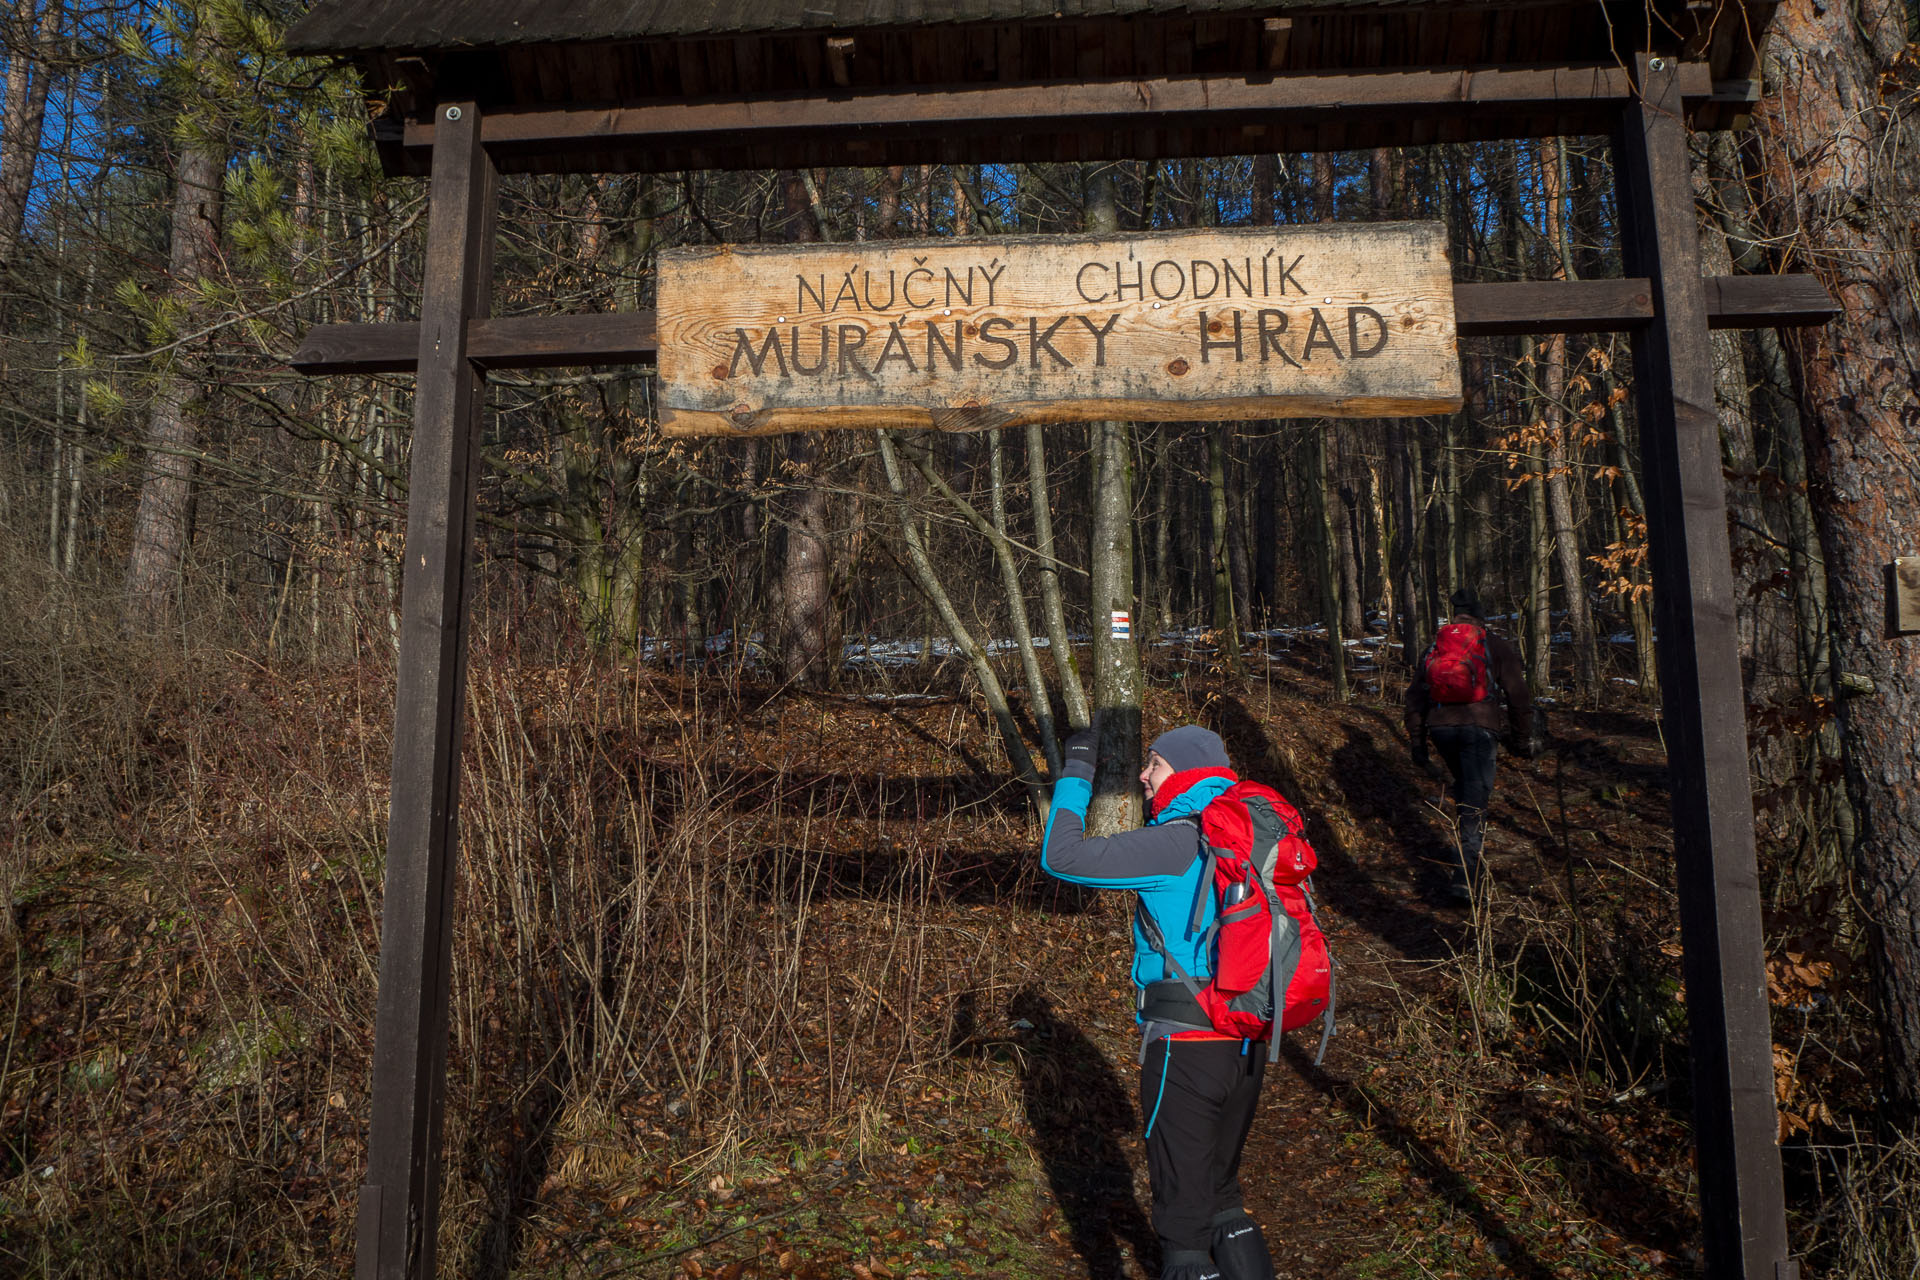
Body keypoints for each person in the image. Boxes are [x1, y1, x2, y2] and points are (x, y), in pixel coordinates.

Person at [1040, 724, 1276, 1280]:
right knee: (1222, 1199)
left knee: (1182, 1227)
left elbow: (1062, 856)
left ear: (1189, 772)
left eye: (1156, 765)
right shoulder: (1246, 838)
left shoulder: (1177, 841)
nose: (1144, 776)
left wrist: (1076, 772)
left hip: (1186, 1049)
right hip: (1247, 1045)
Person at [1404, 588, 1536, 902]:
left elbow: (1415, 698)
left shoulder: (1434, 648)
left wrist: (1418, 744)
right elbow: (1518, 695)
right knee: (1475, 800)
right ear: (1481, 616)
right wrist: (1522, 739)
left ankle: (1467, 856)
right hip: (1480, 728)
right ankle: (1466, 873)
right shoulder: (1495, 645)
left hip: (1441, 729)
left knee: (1466, 791)